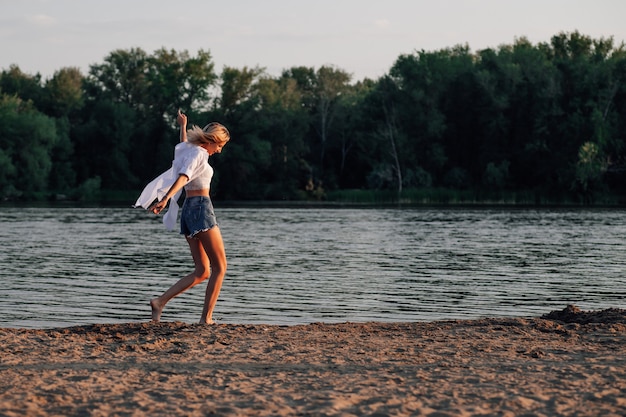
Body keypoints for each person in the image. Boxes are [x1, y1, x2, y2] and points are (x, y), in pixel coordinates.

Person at [139, 110, 230, 324]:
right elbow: (183, 176)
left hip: (189, 211)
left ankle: (160, 302)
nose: (219, 150)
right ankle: (206, 318)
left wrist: (182, 127)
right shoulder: (200, 154)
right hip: (200, 208)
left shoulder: (191, 152)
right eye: (220, 145)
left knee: (202, 271)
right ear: (213, 141)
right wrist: (166, 198)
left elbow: (182, 155)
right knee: (220, 267)